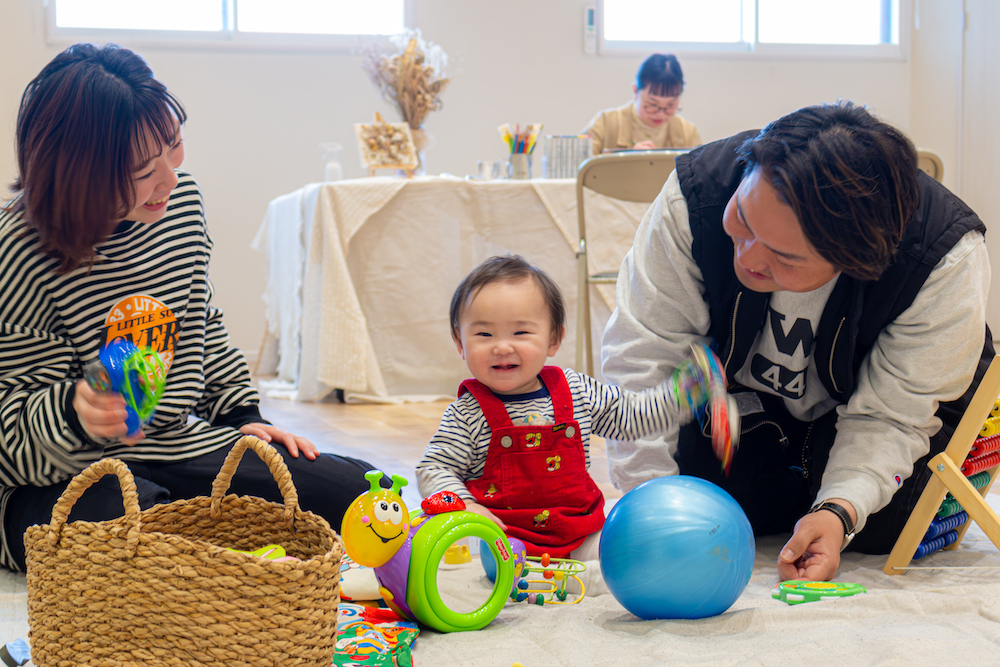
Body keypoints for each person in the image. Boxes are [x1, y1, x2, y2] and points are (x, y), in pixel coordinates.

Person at [0, 43, 381, 572]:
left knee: (363, 495)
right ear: (79, 174)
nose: (170, 179)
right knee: (141, 526)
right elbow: (10, 435)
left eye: (174, 146)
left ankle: (203, 541)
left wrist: (243, 416)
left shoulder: (179, 204)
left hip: (175, 444)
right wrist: (74, 411)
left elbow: (202, 318)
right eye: (142, 169)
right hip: (63, 477)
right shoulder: (19, 248)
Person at [601, 101, 993, 582]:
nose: (746, 258)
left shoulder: (941, 260)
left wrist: (839, 511)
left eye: (784, 257)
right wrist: (651, 504)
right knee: (702, 505)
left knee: (885, 527)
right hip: (742, 402)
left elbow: (892, 415)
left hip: (876, 406)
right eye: (743, 219)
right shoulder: (694, 196)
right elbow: (645, 355)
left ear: (855, 262)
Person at [415, 255, 715, 566]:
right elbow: (433, 468)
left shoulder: (575, 390)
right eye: (484, 335)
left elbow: (629, 418)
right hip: (506, 545)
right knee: (500, 570)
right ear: (459, 342)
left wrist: (677, 397)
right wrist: (463, 504)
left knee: (635, 550)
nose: (502, 347)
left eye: (520, 333)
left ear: (553, 338)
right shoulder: (468, 412)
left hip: (583, 533)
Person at [582, 53, 702, 155]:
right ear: (635, 90)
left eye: (670, 106)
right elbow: (578, 168)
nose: (661, 114)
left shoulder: (688, 132)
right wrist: (626, 160)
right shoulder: (605, 123)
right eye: (652, 105)